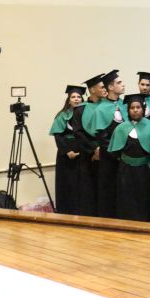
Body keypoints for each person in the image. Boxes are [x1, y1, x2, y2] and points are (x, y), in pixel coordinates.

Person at [108, 94, 150, 222]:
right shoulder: (121, 128)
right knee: (126, 198)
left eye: (138, 107)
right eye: (132, 108)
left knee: (145, 198)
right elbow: (114, 151)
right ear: (128, 110)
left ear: (143, 109)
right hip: (126, 170)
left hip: (145, 170)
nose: (135, 110)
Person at [90, 70, 127, 218]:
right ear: (110, 87)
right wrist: (116, 154)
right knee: (110, 190)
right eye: (119, 83)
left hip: (127, 156)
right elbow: (102, 138)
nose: (123, 85)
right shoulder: (100, 109)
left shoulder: (125, 105)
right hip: (110, 157)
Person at [71, 74, 107, 216]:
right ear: (92, 90)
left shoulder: (107, 106)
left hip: (106, 153)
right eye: (102, 87)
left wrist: (102, 148)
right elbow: (78, 132)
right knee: (89, 187)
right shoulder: (80, 109)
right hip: (88, 155)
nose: (105, 89)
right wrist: (94, 148)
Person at [49, 85, 85, 214]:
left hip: (83, 152)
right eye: (73, 97)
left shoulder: (86, 114)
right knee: (69, 182)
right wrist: (67, 151)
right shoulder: (62, 115)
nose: (76, 99)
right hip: (67, 154)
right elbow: (58, 135)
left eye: (78, 97)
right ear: (68, 100)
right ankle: (68, 211)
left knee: (82, 182)